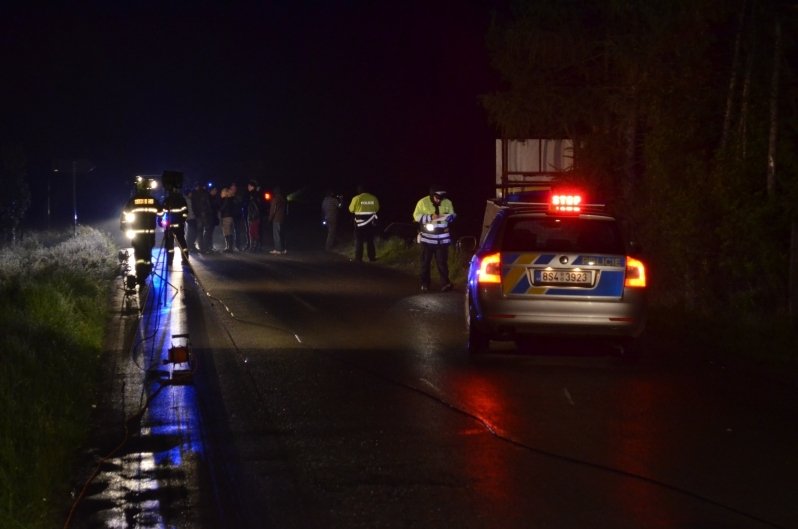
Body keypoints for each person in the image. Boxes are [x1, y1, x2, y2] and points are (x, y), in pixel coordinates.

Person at [413, 185, 456, 291]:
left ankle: (445, 284)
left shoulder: (447, 202)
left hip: (442, 239)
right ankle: (425, 284)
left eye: (441, 199)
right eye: (437, 198)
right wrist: (430, 217)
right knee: (425, 263)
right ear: (432, 196)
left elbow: (453, 215)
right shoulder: (422, 202)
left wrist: (450, 217)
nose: (439, 201)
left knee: (442, 263)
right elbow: (416, 216)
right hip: (427, 239)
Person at [120, 176, 161, 286]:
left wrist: (124, 226)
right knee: (147, 254)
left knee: (139, 254)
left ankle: (141, 274)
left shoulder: (133, 201)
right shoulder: (153, 200)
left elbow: (124, 215)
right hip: (149, 234)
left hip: (137, 234)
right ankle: (146, 271)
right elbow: (161, 213)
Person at [348, 184, 379, 262]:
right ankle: (372, 258)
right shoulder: (373, 198)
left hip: (359, 223)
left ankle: (358, 258)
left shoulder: (356, 198)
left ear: (359, 190)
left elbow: (351, 209)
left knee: (359, 240)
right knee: (370, 240)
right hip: (370, 223)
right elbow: (377, 209)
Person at [161, 183, 190, 265]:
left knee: (169, 245)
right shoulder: (181, 199)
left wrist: (160, 222)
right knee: (182, 242)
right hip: (179, 226)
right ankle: (185, 260)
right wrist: (182, 221)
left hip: (169, 226)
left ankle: (169, 261)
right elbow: (185, 212)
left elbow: (162, 212)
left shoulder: (167, 200)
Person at [191, 183, 213, 253]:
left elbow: (193, 205)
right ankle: (206, 247)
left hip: (198, 215)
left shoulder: (194, 194)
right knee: (207, 230)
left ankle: (201, 248)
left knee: (200, 232)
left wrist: (196, 213)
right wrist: (209, 212)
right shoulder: (205, 193)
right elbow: (208, 204)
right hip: (205, 214)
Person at [269, 186, 288, 254]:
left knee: (276, 234)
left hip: (276, 219)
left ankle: (278, 249)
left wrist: (270, 218)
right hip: (282, 219)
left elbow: (273, 210)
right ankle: (283, 249)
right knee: (282, 234)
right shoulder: (283, 199)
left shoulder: (275, 199)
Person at [246, 179, 263, 252]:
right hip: (254, 216)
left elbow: (255, 207)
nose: (248, 187)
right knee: (254, 232)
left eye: (249, 186)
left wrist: (253, 216)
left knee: (253, 232)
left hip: (254, 217)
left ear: (252, 186)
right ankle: (254, 247)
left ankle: (254, 247)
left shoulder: (253, 195)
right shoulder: (255, 194)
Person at [219, 187, 237, 252]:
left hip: (226, 216)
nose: (221, 193)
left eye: (222, 192)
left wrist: (219, 209)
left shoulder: (225, 199)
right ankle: (229, 247)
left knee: (227, 232)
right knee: (229, 231)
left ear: (225, 193)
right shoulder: (231, 198)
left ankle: (229, 248)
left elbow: (222, 208)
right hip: (230, 216)